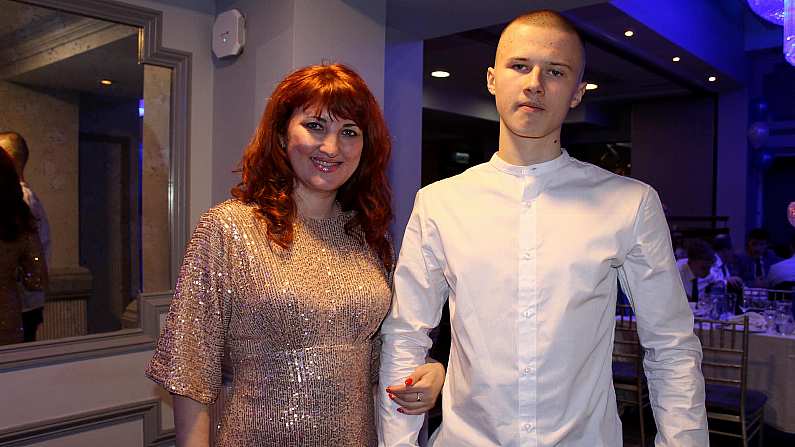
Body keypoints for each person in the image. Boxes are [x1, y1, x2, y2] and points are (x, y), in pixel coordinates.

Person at [378, 10, 707, 446]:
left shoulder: (629, 203)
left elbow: (671, 347)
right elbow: (405, 336)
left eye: (556, 71)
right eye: (520, 66)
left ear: (576, 92)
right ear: (493, 79)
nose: (535, 83)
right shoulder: (439, 203)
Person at [146, 64, 445, 446]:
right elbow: (189, 373)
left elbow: (379, 354)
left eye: (349, 132)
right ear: (282, 134)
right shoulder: (228, 228)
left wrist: (432, 370)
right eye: (316, 126)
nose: (332, 147)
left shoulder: (371, 239)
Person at [0, 131, 51, 341]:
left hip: (23, 305)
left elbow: (36, 275)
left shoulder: (22, 202)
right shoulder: (17, 206)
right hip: (13, 308)